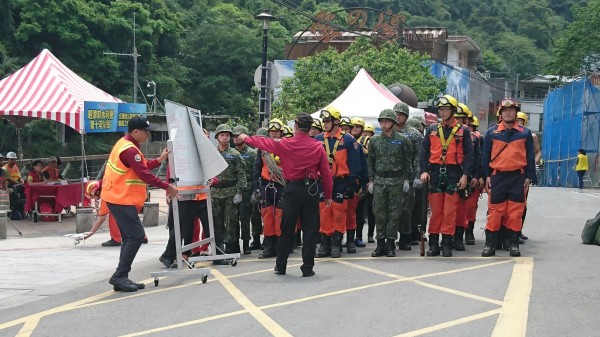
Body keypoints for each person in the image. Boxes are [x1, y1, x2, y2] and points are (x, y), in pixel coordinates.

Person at [238, 113, 333, 277]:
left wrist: (246, 138)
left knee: (287, 228)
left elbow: (264, 142)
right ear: (310, 128)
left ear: (295, 126)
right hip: (311, 190)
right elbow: (326, 173)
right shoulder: (318, 146)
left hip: (291, 190)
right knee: (310, 230)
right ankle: (307, 268)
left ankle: (281, 266)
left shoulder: (286, 143)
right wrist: (328, 196)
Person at [100, 115, 177, 292]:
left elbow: (141, 167)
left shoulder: (127, 145)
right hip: (120, 198)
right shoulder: (130, 150)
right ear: (136, 131)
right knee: (136, 236)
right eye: (145, 131)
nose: (148, 135)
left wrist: (159, 159)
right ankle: (119, 275)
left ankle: (122, 277)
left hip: (118, 197)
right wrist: (167, 186)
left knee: (129, 237)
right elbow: (144, 175)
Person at [481, 98, 536, 257]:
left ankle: (513, 244)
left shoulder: (524, 133)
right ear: (500, 113)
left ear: (516, 112)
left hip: (517, 177)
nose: (508, 112)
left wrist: (529, 176)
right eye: (505, 110)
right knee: (495, 212)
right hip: (497, 177)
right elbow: (485, 156)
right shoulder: (492, 133)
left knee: (515, 213)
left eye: (511, 110)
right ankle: (490, 244)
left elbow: (530, 157)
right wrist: (486, 175)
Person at [420, 95, 473, 257]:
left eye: (446, 109)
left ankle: (447, 243)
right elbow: (423, 152)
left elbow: (470, 156)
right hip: (435, 173)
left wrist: (465, 176)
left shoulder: (463, 131)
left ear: (453, 111)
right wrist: (424, 170)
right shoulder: (432, 129)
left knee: (450, 211)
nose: (442, 112)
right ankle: (434, 243)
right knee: (436, 211)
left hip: (453, 173)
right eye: (440, 110)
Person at [314, 106, 361, 258]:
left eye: (327, 121)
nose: (325, 123)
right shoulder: (319, 139)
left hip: (341, 181)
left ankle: (336, 242)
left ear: (336, 122)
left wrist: (352, 184)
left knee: (339, 212)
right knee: (324, 211)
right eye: (324, 121)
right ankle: (325, 242)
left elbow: (355, 164)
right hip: (323, 181)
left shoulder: (348, 139)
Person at [368, 109, 412, 257]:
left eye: (386, 121)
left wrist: (407, 179)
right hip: (380, 181)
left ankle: (390, 243)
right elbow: (371, 162)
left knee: (394, 214)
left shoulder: (402, 139)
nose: (383, 123)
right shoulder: (374, 140)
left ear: (393, 122)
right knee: (379, 213)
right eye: (381, 121)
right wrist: (371, 181)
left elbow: (408, 161)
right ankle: (380, 243)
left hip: (397, 181)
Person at [212, 124, 246, 256]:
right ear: (217, 137)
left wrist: (239, 192)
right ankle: (219, 248)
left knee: (231, 221)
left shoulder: (235, 154)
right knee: (216, 222)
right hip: (215, 193)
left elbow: (241, 174)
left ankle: (231, 248)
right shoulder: (212, 153)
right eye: (222, 135)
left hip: (230, 192)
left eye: (227, 135)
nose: (225, 137)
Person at [253, 119, 285, 258]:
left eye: (277, 132)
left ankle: (280, 245)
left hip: (282, 184)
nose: (274, 134)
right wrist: (256, 188)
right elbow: (257, 168)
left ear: (281, 133)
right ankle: (269, 245)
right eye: (272, 132)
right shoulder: (263, 149)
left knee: (280, 215)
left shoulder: (286, 146)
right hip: (266, 184)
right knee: (267, 215)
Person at [393, 102, 422, 250]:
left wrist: (417, 176)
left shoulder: (414, 134)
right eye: (396, 114)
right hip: (390, 177)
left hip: (409, 177)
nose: (398, 116)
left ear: (406, 116)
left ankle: (405, 237)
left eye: (401, 114)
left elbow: (419, 156)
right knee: (390, 209)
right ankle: (390, 238)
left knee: (406, 209)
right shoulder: (387, 132)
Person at [233, 125, 261, 254]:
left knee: (245, 217)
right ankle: (233, 243)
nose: (236, 138)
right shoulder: (231, 153)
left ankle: (246, 243)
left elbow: (257, 172)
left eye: (239, 136)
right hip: (234, 187)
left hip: (248, 188)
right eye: (234, 136)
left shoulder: (252, 153)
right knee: (233, 217)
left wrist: (256, 190)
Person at [350, 117, 370, 248]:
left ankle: (358, 237)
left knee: (359, 212)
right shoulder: (345, 140)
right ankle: (348, 237)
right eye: (353, 126)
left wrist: (366, 182)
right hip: (349, 180)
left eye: (358, 126)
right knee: (348, 211)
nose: (355, 128)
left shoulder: (366, 142)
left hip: (361, 179)